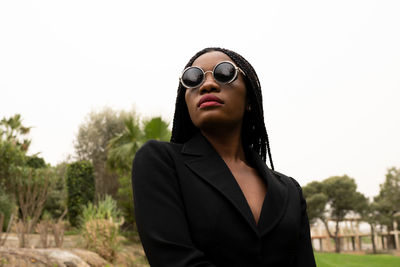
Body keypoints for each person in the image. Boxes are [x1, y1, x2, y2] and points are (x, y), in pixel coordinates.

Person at [131, 47, 316, 267]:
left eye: (225, 73)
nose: (207, 84)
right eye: (193, 78)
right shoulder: (161, 162)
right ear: (186, 102)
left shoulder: (290, 191)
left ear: (249, 99)